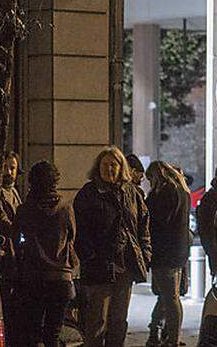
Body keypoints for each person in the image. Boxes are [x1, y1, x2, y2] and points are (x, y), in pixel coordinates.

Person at [73, 147, 152, 347]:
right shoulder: (88, 194)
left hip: (125, 266)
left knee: (119, 320)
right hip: (99, 266)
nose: (109, 169)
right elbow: (79, 230)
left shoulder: (131, 193)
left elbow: (143, 227)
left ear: (121, 167)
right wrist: (89, 255)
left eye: (114, 165)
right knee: (97, 320)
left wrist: (145, 253)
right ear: (98, 167)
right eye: (105, 164)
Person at [14, 160, 77, 347]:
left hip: (33, 277)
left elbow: (16, 240)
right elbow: (72, 236)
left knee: (33, 333)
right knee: (53, 334)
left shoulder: (24, 210)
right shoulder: (65, 207)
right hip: (61, 279)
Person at [146, 162, 192, 347]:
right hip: (178, 253)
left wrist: (149, 200)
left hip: (164, 253)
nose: (150, 184)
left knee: (170, 299)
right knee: (167, 296)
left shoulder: (165, 194)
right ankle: (154, 332)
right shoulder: (183, 192)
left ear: (158, 175)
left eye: (151, 179)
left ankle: (172, 339)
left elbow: (157, 222)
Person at [0, 151, 22, 339]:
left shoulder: (14, 192)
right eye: (5, 167)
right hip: (2, 258)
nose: (9, 172)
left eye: (12, 168)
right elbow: (5, 223)